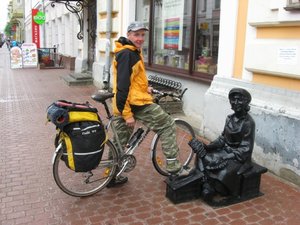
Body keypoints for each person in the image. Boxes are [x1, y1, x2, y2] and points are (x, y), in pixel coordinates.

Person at [108, 21, 192, 187]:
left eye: (142, 35)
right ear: (129, 35)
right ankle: (174, 168)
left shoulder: (129, 51)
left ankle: (112, 175)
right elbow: (123, 86)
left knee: (119, 139)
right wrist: (127, 114)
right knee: (167, 124)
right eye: (136, 34)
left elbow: (132, 81)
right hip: (133, 104)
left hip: (125, 101)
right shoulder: (128, 54)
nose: (140, 38)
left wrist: (146, 88)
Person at [189, 88, 255, 200]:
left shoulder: (248, 123)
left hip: (238, 157)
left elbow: (246, 149)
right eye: (233, 100)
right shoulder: (229, 118)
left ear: (245, 103)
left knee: (223, 172)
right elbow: (222, 139)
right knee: (201, 154)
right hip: (224, 151)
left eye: (239, 100)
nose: (235, 103)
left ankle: (213, 186)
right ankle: (202, 180)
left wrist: (226, 156)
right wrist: (208, 146)